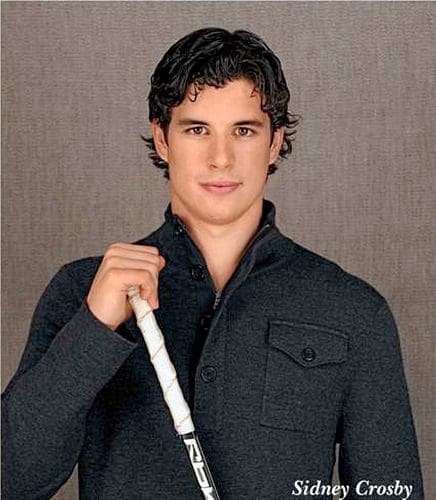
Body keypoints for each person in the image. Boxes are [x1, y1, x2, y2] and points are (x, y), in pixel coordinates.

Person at [2, 27, 424, 500]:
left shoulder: (354, 310)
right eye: (197, 129)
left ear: (273, 142)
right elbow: (13, 479)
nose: (220, 158)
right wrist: (94, 328)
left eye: (243, 130)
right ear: (162, 139)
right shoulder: (84, 289)